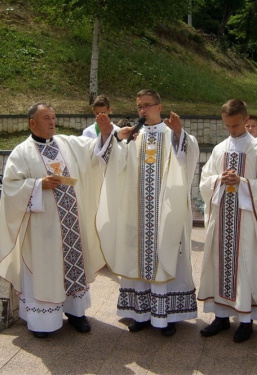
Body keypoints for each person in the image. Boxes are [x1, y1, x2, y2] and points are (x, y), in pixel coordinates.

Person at [0, 102, 105, 338]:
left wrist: (110, 133)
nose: (52, 122)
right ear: (32, 123)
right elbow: (10, 187)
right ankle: (42, 321)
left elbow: (95, 150)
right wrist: (37, 184)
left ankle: (76, 313)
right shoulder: (21, 152)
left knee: (72, 267)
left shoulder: (67, 143)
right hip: (42, 231)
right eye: (46, 118)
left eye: (53, 118)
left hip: (71, 227)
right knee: (45, 272)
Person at [94, 89, 199, 337]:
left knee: (167, 254)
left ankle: (168, 315)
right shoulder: (134, 135)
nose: (142, 110)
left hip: (165, 212)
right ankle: (140, 314)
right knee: (137, 257)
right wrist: (110, 135)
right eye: (139, 106)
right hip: (137, 214)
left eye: (147, 105)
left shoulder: (171, 133)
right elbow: (112, 162)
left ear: (159, 106)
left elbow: (187, 157)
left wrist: (178, 133)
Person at [198, 99, 257, 343]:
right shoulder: (219, 149)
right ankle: (220, 317)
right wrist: (218, 180)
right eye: (227, 125)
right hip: (222, 218)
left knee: (245, 267)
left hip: (246, 222)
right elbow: (205, 180)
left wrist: (242, 182)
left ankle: (246, 321)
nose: (231, 130)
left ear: (246, 120)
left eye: (235, 125)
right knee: (219, 265)